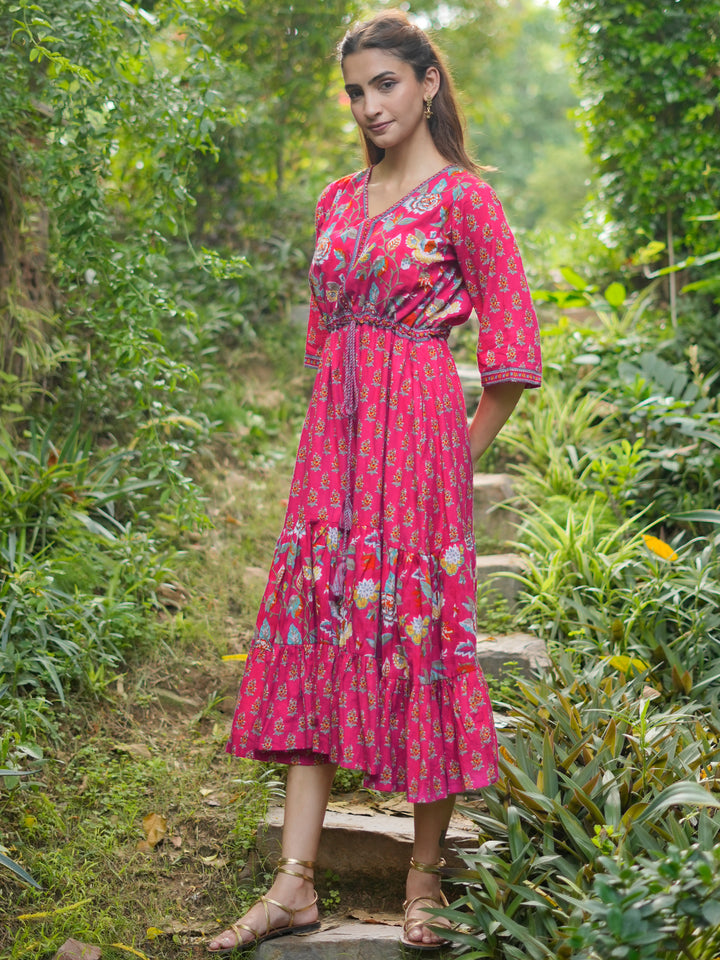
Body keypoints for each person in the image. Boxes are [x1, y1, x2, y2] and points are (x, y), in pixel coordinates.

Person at [208, 8, 541, 954]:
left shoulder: (466, 202)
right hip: (336, 452)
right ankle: (295, 884)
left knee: (423, 638)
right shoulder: (335, 200)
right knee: (317, 638)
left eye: (385, 83)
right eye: (356, 90)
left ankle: (424, 884)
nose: (369, 104)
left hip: (421, 449)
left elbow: (513, 356)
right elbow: (326, 346)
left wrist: (452, 459)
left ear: (428, 83)